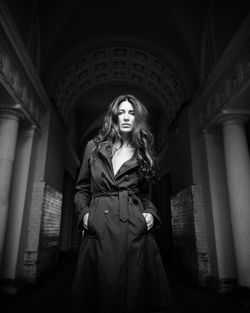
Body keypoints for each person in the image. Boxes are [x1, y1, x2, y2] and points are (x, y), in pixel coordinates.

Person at [71, 94, 172, 313]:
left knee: (133, 296)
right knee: (97, 295)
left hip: (133, 229)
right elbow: (81, 189)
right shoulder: (94, 147)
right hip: (99, 227)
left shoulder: (143, 153)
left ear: (138, 119)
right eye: (122, 112)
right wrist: (86, 216)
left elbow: (146, 196)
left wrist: (150, 215)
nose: (126, 117)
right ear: (114, 116)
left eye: (132, 113)